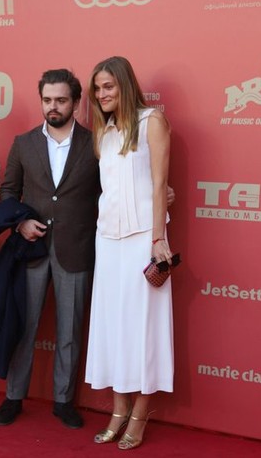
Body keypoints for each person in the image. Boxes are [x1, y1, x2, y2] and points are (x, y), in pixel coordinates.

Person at [0, 69, 100, 429]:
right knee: (24, 324)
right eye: (47, 100)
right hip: (31, 248)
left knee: (70, 331)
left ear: (76, 102)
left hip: (77, 247)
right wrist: (20, 223)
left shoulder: (95, 143)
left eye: (61, 100)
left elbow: (111, 192)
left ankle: (63, 400)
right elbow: (9, 191)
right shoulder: (23, 143)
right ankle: (13, 396)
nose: (53, 106)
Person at [84, 56, 174, 450]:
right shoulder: (102, 133)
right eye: (97, 88)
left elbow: (160, 184)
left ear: (125, 85)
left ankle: (140, 413)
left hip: (143, 239)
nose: (102, 94)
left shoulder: (152, 121)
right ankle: (118, 410)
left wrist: (158, 239)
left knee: (144, 326)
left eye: (109, 86)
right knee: (114, 326)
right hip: (107, 239)